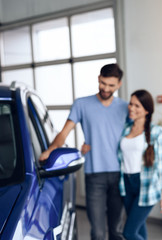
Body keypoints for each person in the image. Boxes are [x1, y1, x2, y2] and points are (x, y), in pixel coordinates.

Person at [40, 63, 128, 240]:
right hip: (94, 175)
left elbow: (136, 135)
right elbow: (64, 132)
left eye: (111, 85)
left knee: (116, 231)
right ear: (98, 78)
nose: (106, 88)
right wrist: (51, 150)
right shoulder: (82, 104)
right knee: (98, 232)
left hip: (120, 175)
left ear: (119, 84)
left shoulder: (125, 107)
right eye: (103, 83)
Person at [117, 89, 162, 240]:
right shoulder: (126, 129)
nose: (131, 108)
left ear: (147, 110)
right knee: (139, 229)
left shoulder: (156, 131)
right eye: (131, 104)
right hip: (126, 184)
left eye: (137, 106)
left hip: (145, 184)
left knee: (129, 233)